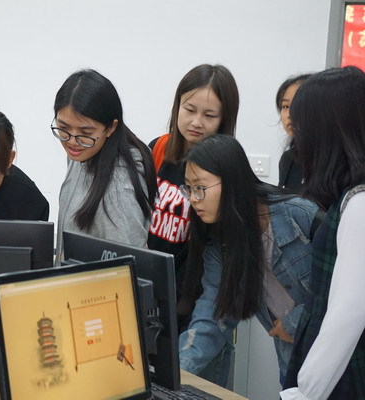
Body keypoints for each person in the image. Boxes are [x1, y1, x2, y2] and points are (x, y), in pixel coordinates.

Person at [177, 134, 318, 387]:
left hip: (341, 355)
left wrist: (294, 324)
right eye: (188, 188)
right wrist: (178, 374)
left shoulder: (298, 214)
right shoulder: (219, 243)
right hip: (293, 363)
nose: (193, 198)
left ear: (232, 182)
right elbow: (213, 313)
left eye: (200, 187)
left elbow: (345, 289)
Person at [281, 67, 365, 399]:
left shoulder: (359, 204)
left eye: (302, 128)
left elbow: (348, 314)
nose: (297, 139)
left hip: (341, 374)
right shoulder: (350, 198)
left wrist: (306, 392)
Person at [147, 64, 239, 330]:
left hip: (193, 304)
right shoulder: (158, 148)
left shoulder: (226, 170)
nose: (197, 122)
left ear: (224, 119)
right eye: (189, 109)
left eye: (209, 115)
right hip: (150, 291)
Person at [51, 69, 157, 263]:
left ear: (111, 128)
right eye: (63, 128)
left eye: (85, 132)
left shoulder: (119, 191)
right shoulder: (85, 151)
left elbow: (127, 268)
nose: (72, 141)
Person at [276, 74, 312, 192]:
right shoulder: (288, 159)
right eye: (285, 106)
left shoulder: (336, 164)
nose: (290, 114)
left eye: (299, 105)